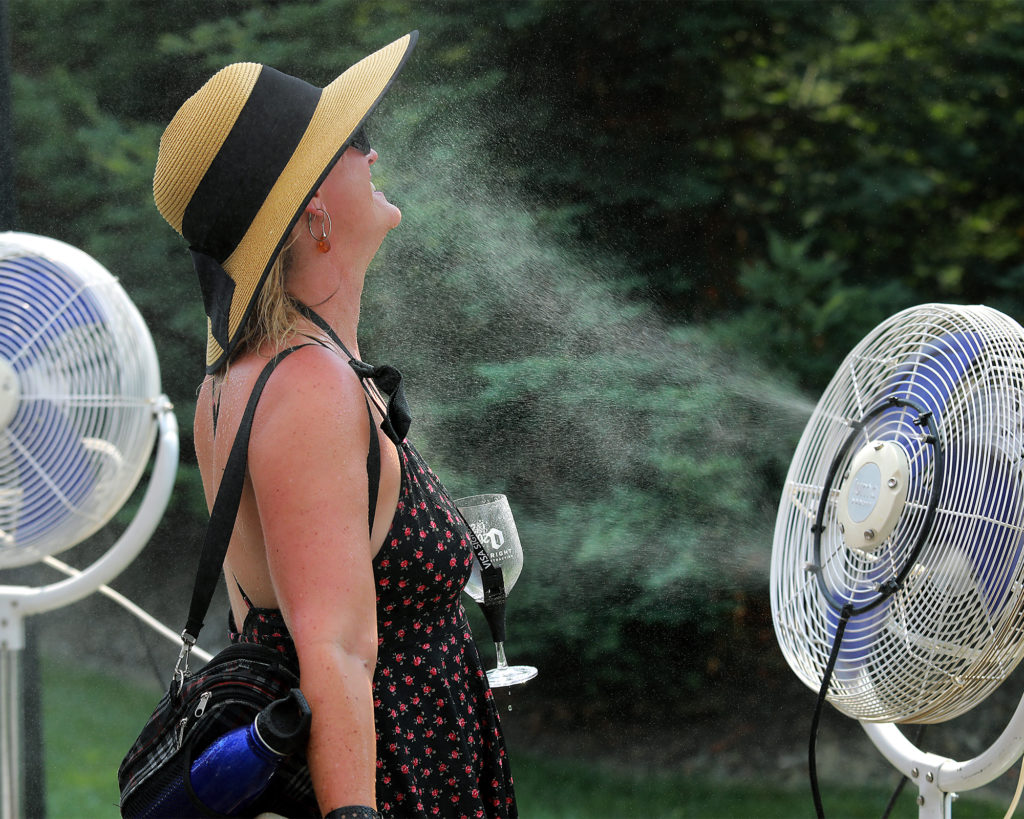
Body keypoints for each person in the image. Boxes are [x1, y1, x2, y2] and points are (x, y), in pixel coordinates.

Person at [152, 32, 517, 819]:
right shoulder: (306, 384)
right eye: (351, 141)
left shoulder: (256, 373)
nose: (374, 153)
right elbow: (337, 651)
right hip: (394, 779)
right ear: (311, 212)